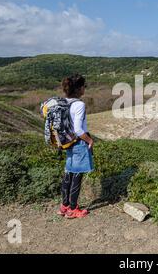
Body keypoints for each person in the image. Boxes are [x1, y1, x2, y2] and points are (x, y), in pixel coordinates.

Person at [57, 74, 94, 219]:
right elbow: (78, 129)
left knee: (68, 174)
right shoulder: (79, 104)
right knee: (76, 176)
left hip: (67, 143)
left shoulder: (63, 102)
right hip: (78, 143)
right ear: (79, 88)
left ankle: (64, 206)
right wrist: (89, 140)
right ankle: (73, 209)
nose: (85, 88)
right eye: (84, 86)